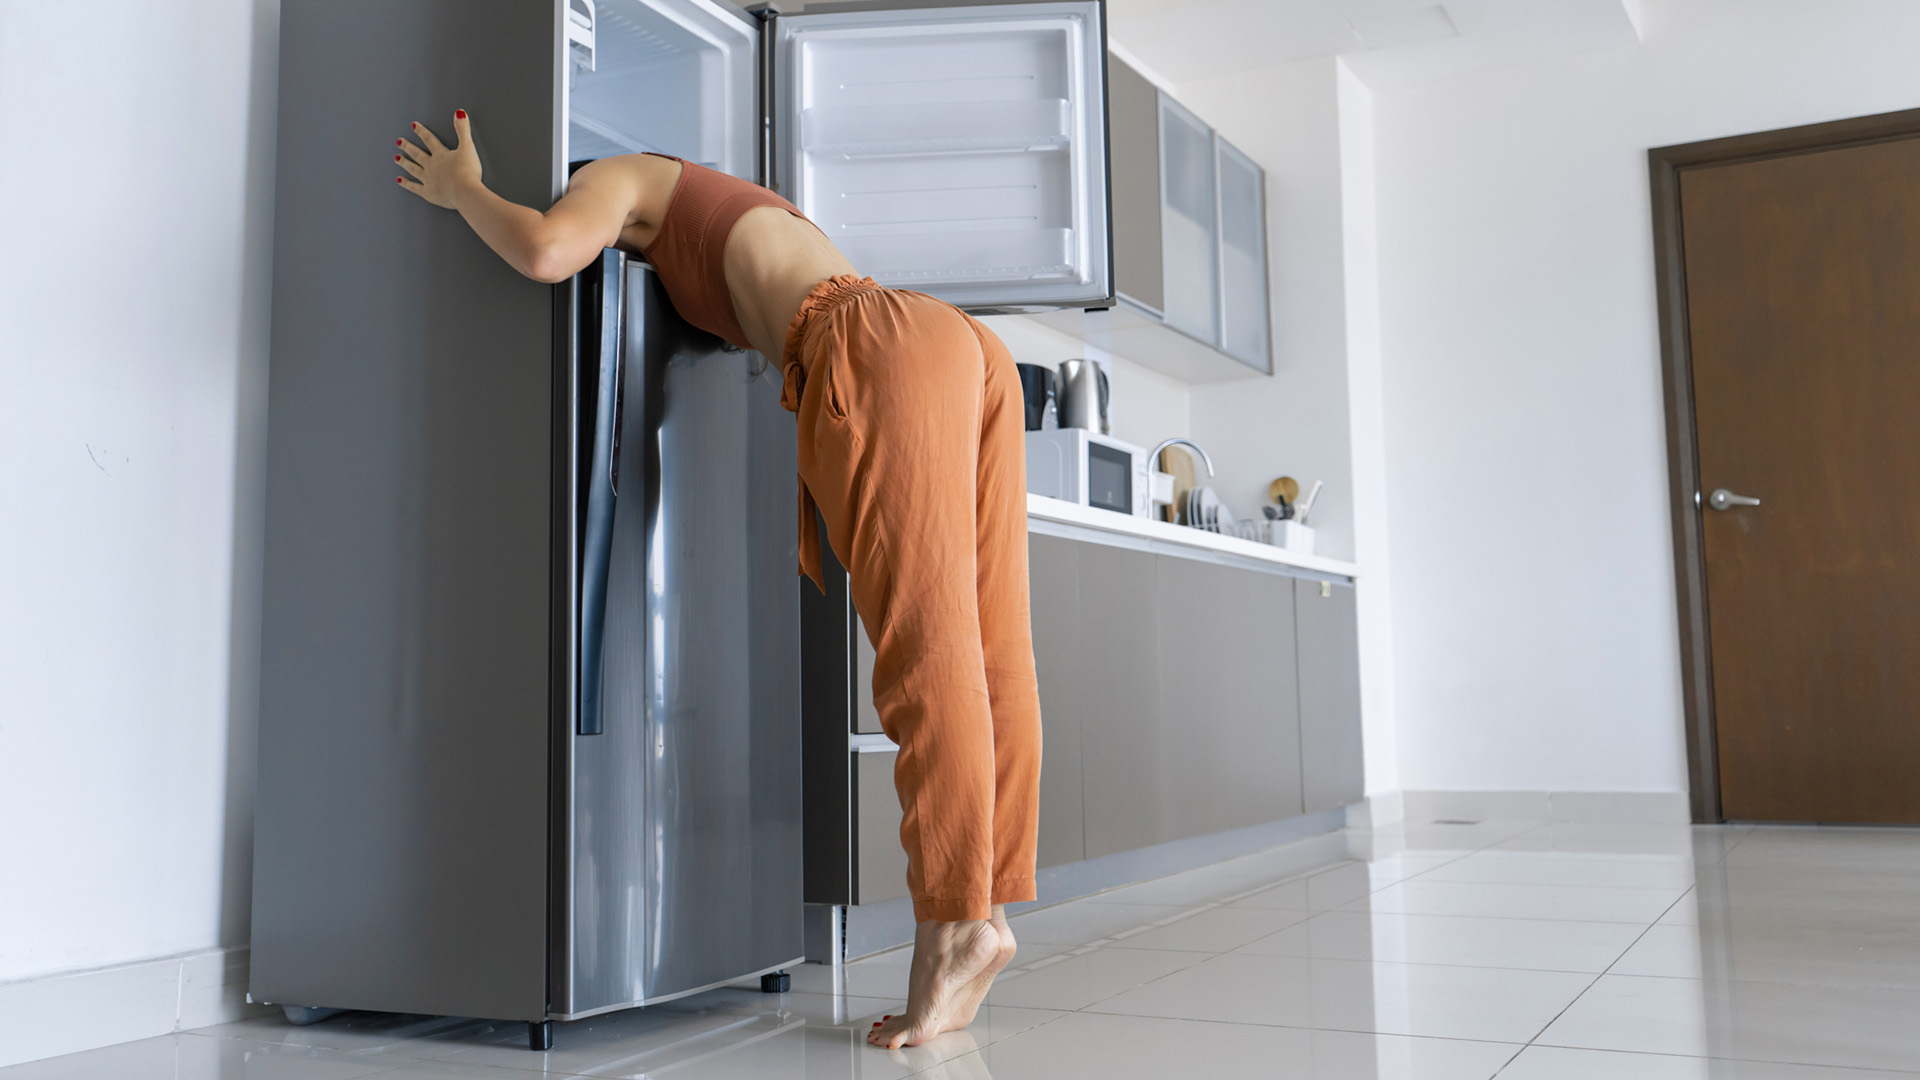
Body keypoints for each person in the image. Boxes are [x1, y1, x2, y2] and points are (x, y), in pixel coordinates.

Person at [394, 111, 1042, 1050]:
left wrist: (463, 190)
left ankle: (953, 927)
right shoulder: (737, 207)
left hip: (882, 349)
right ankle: (988, 909)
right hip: (963, 347)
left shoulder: (619, 177)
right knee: (992, 645)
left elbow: (543, 251)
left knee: (926, 644)